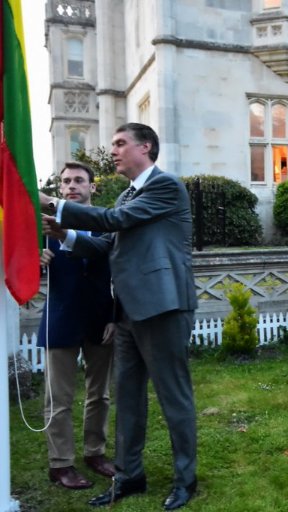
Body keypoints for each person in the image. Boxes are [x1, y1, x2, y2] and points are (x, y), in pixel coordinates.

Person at [39, 123, 198, 510]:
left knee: (173, 397)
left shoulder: (165, 186)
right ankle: (130, 477)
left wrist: (49, 202)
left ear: (145, 147)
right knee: (127, 399)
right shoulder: (129, 194)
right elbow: (105, 244)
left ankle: (185, 479)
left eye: (120, 143)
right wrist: (65, 236)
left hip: (163, 306)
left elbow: (113, 221)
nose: (113, 150)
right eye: (113, 144)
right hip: (127, 311)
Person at [38, 162, 115, 489]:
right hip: (61, 317)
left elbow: (118, 270)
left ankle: (95, 452)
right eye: (66, 181)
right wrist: (36, 261)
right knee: (59, 398)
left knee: (100, 395)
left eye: (79, 180)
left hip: (100, 318)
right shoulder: (45, 225)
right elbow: (21, 267)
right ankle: (61, 463)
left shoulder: (107, 223)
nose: (72, 185)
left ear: (92, 187)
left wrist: (114, 315)